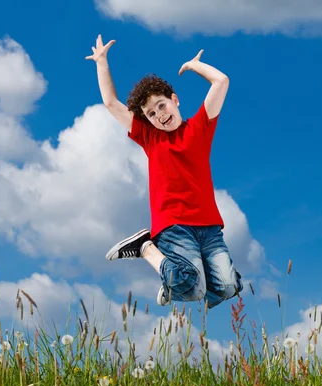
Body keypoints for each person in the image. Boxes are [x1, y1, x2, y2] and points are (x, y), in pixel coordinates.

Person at [86, 34, 243, 309]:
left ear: (175, 100)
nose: (159, 115)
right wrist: (102, 63)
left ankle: (174, 280)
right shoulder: (150, 137)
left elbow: (222, 81)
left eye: (162, 105)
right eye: (151, 113)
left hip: (209, 227)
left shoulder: (199, 128)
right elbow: (111, 103)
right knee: (193, 290)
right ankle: (146, 248)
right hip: (173, 225)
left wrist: (195, 66)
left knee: (228, 288)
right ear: (146, 120)